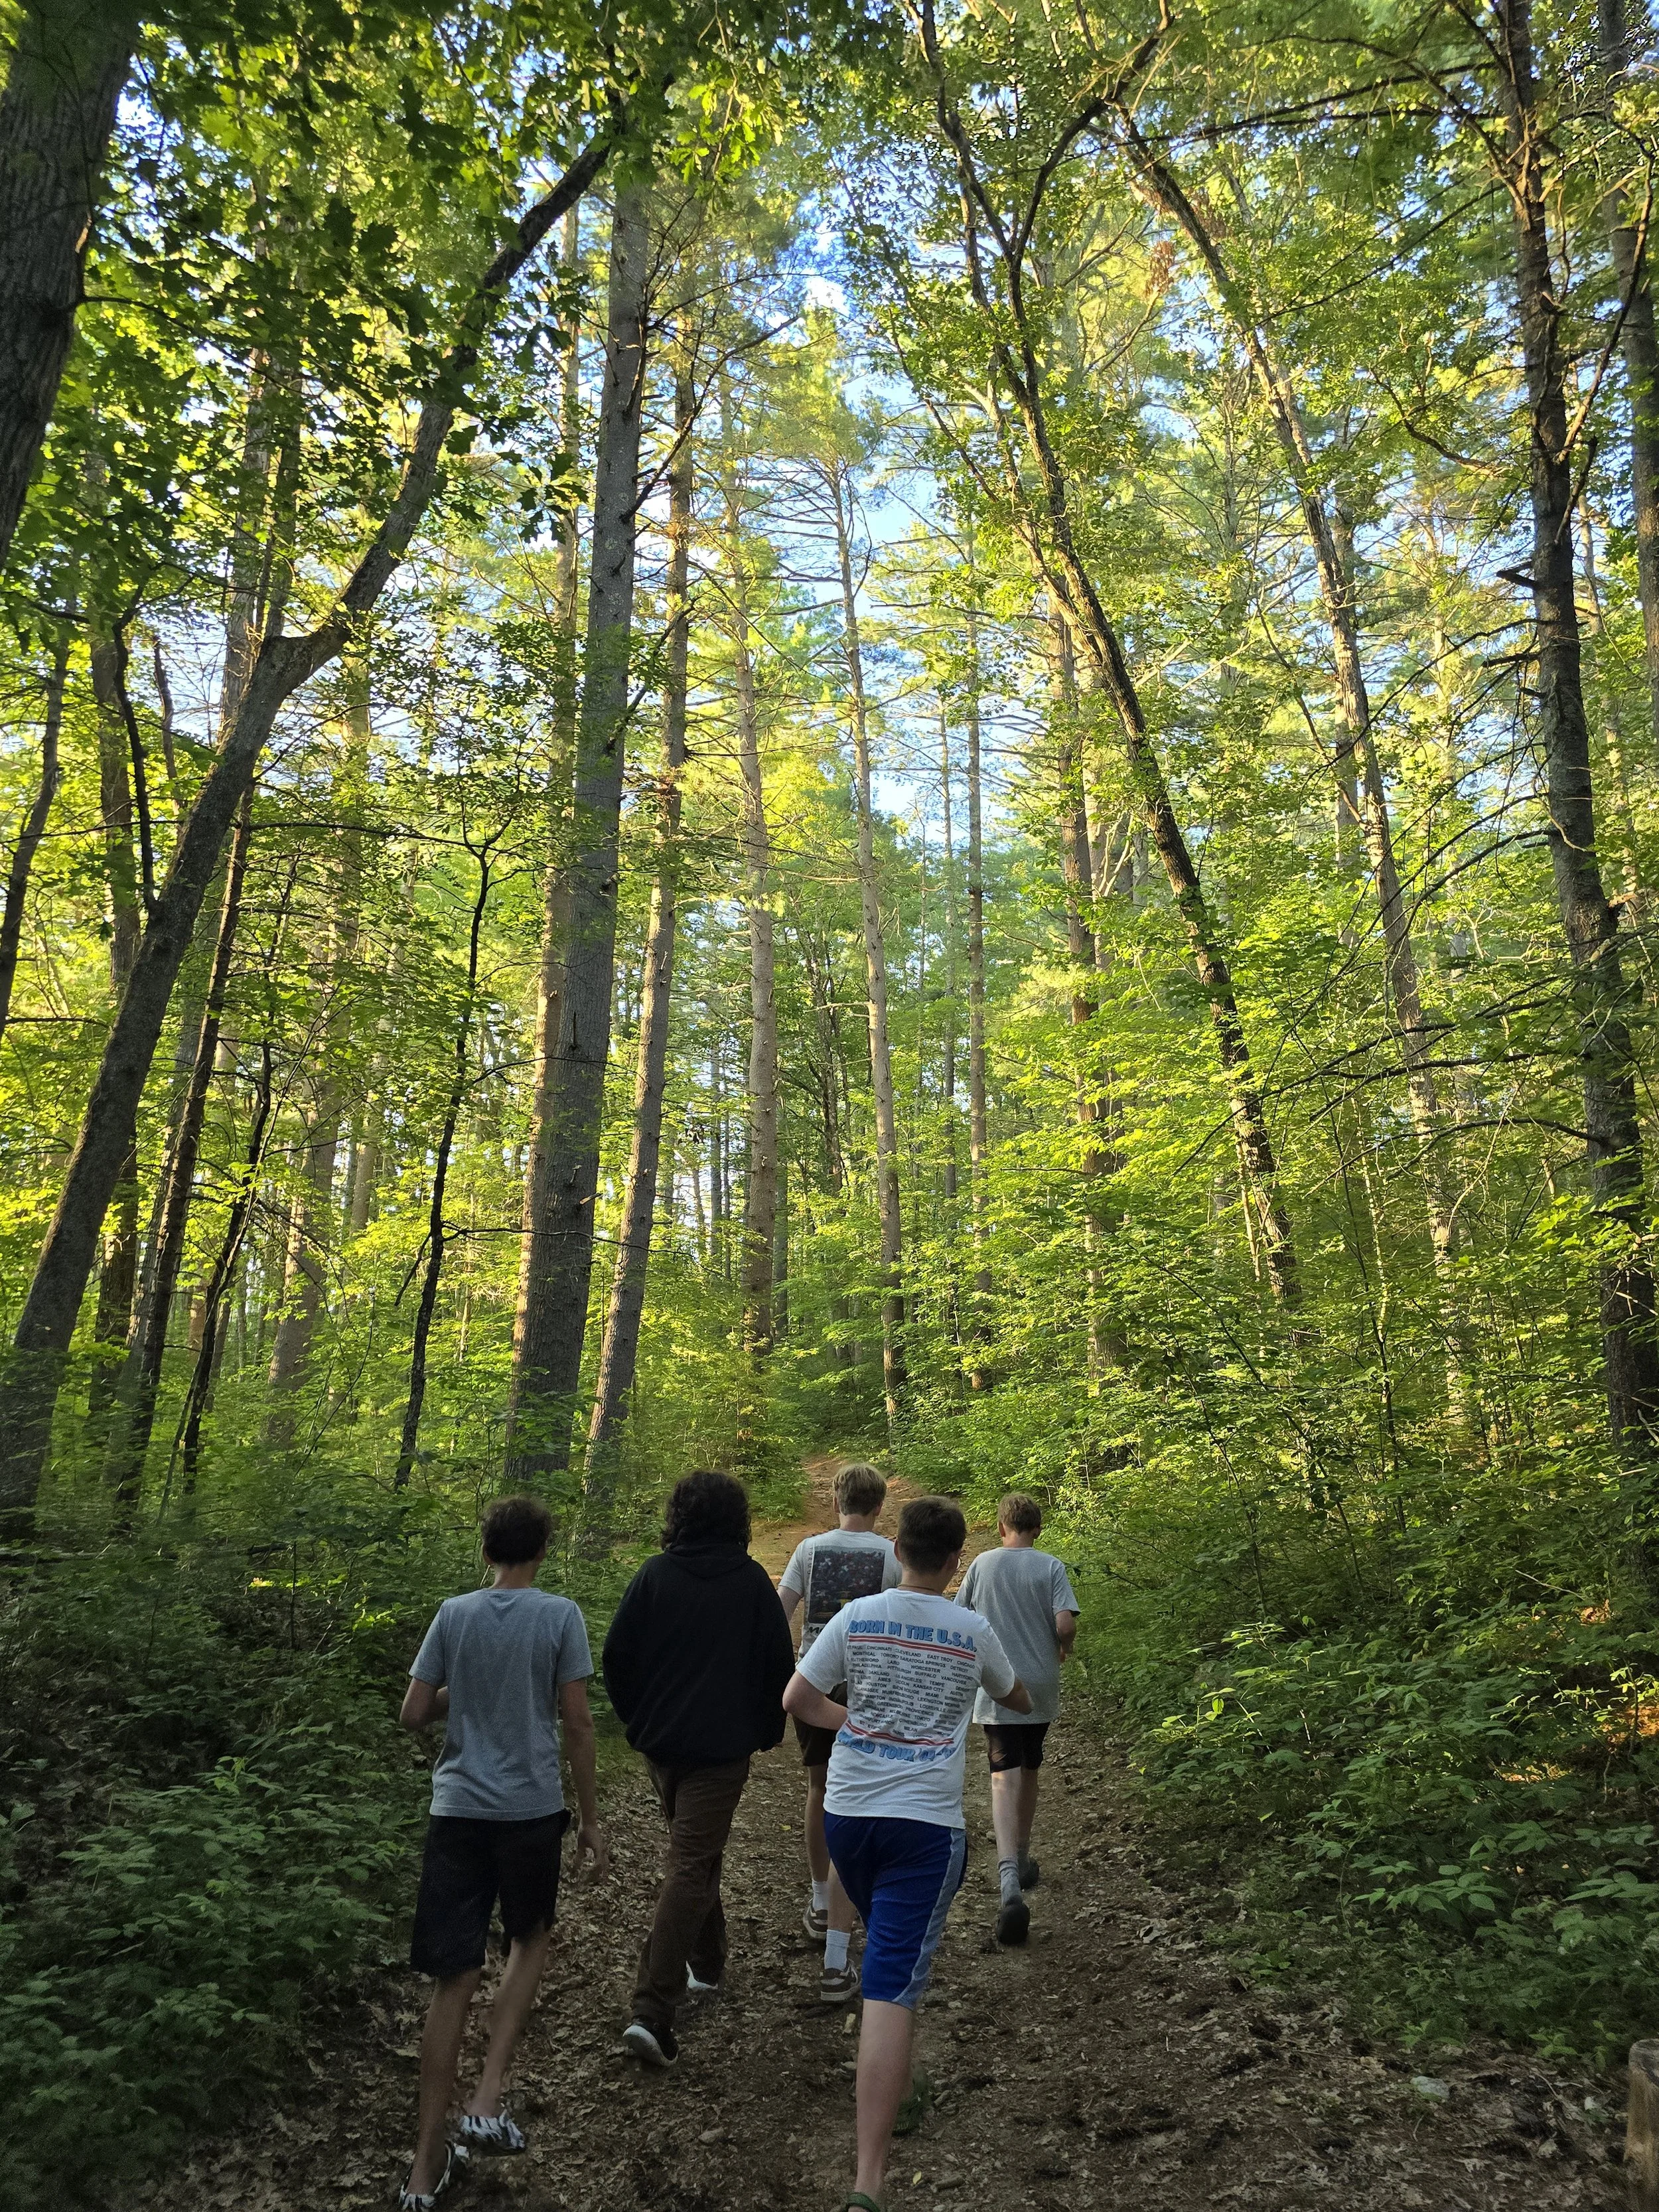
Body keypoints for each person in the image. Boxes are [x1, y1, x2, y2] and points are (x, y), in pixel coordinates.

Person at [783, 1495, 1030, 2212]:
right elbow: (1012, 1696)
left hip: (848, 1817)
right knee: (891, 1986)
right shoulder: (969, 1626)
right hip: (923, 1826)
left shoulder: (859, 1616)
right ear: (955, 1562)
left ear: (897, 1550)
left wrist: (855, 1721)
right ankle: (867, 2179)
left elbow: (798, 1697)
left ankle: (857, 2015)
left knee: (875, 1950)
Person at [397, 1495, 606, 2212]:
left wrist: (471, 1688)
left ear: (486, 1553)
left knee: (451, 1978)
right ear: (542, 1551)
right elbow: (577, 1723)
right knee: (530, 1936)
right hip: (529, 1811)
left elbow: (413, 1712)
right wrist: (591, 1821)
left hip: (456, 1812)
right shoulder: (561, 1617)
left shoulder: (453, 1614)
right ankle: (487, 2097)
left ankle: (423, 2170)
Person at [603, 1468, 795, 2070]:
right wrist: (763, 1730)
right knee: (692, 1859)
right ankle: (652, 2010)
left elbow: (617, 1658)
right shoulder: (749, 1583)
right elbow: (777, 1666)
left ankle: (705, 1966)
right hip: (715, 1750)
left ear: (679, 1515)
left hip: (667, 1748)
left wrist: (639, 1720)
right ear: (735, 1519)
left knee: (691, 1854)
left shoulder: (654, 1577)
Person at [777, 1459, 901, 1998]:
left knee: (818, 1788)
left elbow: (779, 1609)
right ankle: (851, 1911)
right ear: (879, 1507)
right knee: (865, 1798)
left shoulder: (808, 1550)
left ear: (835, 1501)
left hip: (819, 1680)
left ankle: (820, 1898)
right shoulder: (892, 1556)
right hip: (871, 1686)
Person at [958, 1491, 1079, 1946]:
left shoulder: (982, 1564)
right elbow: (1064, 1624)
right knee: (1029, 1766)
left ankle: (1009, 1881)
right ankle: (1024, 1858)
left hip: (1000, 1681)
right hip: (1042, 1683)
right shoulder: (1050, 1565)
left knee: (1003, 1775)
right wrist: (1065, 1647)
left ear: (1000, 1525)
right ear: (1038, 1528)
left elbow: (962, 1616)